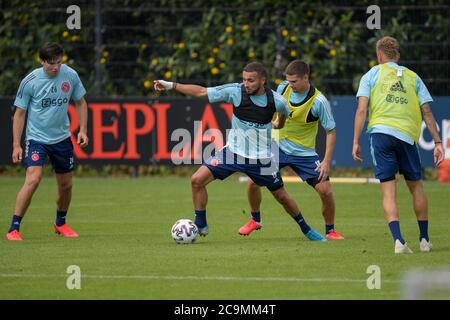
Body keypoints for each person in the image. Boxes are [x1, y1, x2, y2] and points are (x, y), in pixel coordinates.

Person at [154, 62, 326, 241]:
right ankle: (201, 223)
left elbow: (282, 116)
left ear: (262, 80)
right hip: (232, 153)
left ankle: (306, 229)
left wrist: (278, 124)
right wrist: (171, 85)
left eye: (251, 80)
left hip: (261, 159)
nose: (246, 83)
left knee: (282, 197)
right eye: (244, 79)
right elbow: (202, 91)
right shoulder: (235, 92)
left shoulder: (277, 101)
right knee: (197, 180)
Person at [352, 36, 444, 253]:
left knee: (388, 190)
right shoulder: (413, 77)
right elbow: (427, 112)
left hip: (381, 135)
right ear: (398, 56)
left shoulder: (371, 74)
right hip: (407, 137)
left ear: (379, 55)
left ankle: (399, 241)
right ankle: (424, 240)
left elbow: (362, 110)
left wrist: (356, 141)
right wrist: (438, 142)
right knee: (417, 187)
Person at [239, 60, 345, 240]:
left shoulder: (319, 102)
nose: (291, 85)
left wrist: (326, 161)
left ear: (306, 77)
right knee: (252, 181)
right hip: (277, 147)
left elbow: (331, 132)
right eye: (288, 80)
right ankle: (255, 219)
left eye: (294, 81)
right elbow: (278, 108)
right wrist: (276, 123)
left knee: (326, 191)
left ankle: (330, 230)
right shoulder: (283, 88)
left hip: (304, 154)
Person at [6, 42, 88, 241]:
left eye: (59, 62)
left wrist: (83, 130)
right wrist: (17, 144)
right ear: (42, 61)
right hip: (37, 139)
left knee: (66, 184)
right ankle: (13, 228)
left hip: (61, 138)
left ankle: (60, 224)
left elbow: (80, 102)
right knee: (33, 179)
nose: (56, 67)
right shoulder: (30, 81)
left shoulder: (70, 75)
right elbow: (19, 114)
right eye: (51, 63)